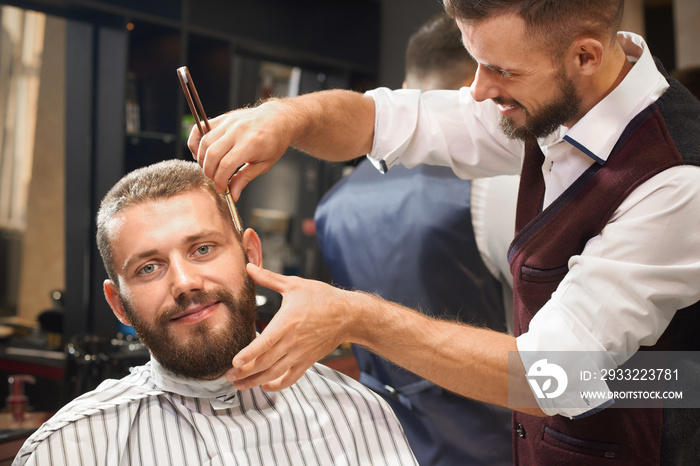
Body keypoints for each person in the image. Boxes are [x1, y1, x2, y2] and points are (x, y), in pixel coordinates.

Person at [188, 1, 700, 464]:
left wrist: (356, 316)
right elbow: (381, 119)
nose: (477, 89)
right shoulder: (555, 97)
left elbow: (557, 374)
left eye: (501, 69)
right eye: (476, 60)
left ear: (584, 57)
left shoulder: (676, 181)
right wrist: (287, 117)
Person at [12, 160, 418, 466]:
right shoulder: (70, 449)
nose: (185, 282)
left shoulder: (355, 413)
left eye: (202, 249)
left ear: (252, 255)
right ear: (119, 305)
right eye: (148, 267)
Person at [313, 14, 515, 466]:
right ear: (473, 90)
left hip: (380, 442)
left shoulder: (332, 204)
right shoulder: (498, 185)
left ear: (405, 86)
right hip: (495, 440)